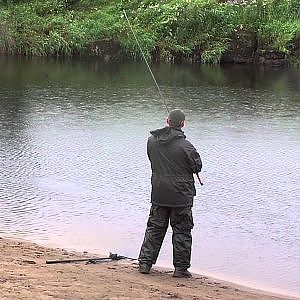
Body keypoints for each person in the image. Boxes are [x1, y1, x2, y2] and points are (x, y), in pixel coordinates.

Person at [138, 109, 202, 278]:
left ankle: (145, 263)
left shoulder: (152, 141)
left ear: (167, 121)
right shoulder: (186, 145)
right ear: (183, 124)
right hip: (181, 196)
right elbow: (197, 166)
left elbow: (152, 159)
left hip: (159, 192)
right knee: (182, 231)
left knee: (155, 228)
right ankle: (180, 269)